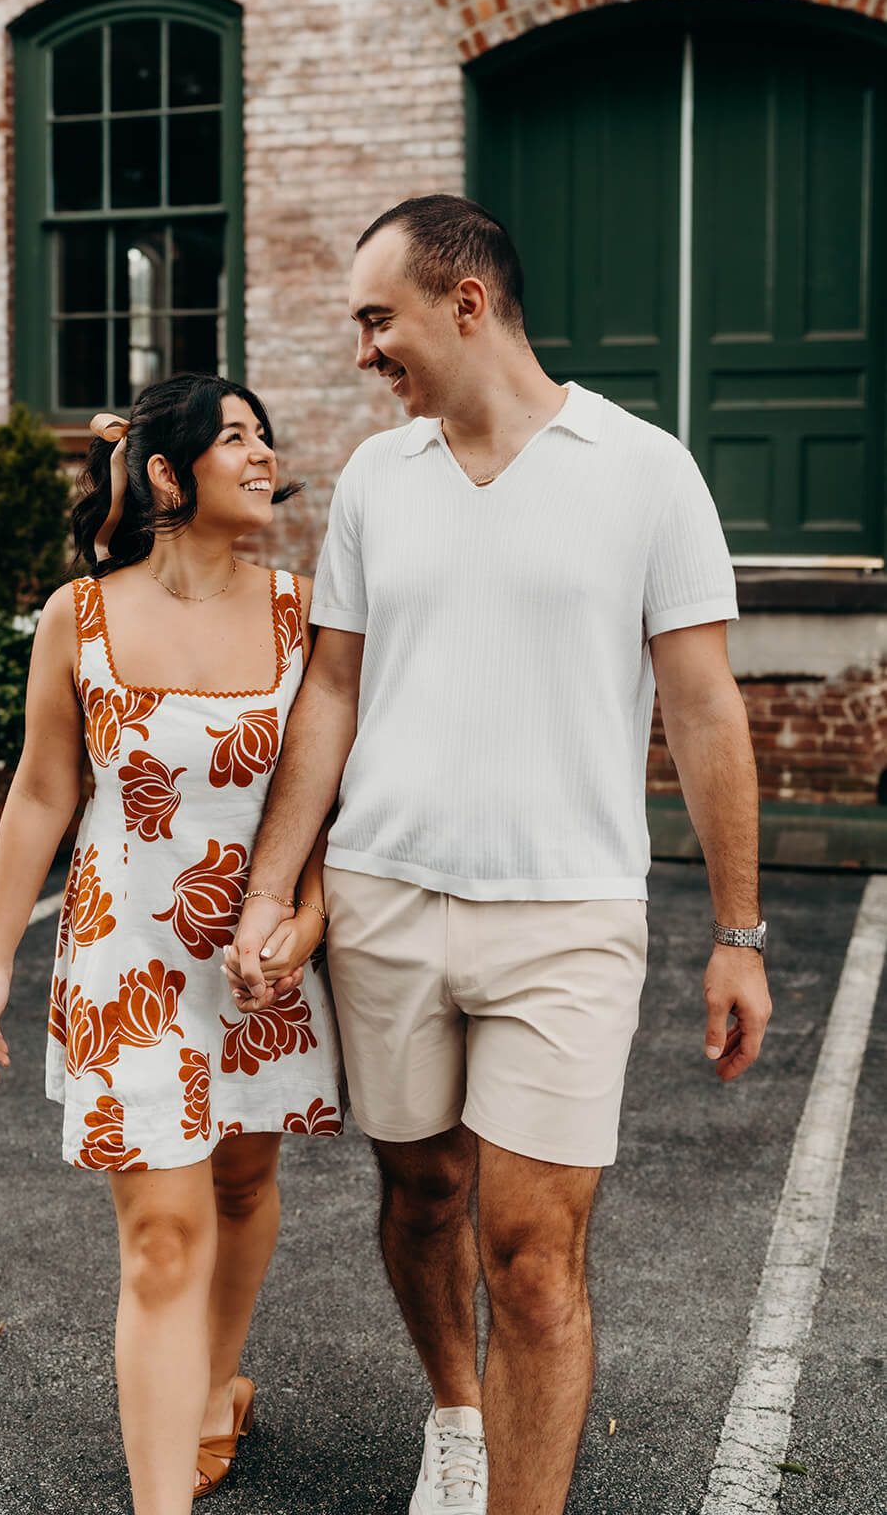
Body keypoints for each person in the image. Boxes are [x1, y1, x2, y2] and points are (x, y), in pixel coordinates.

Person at [226, 195, 772, 1515]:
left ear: (464, 303)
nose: (362, 352)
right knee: (421, 1194)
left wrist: (737, 935)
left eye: (377, 320)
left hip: (566, 917)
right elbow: (331, 692)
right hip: (384, 902)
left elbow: (704, 708)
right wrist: (268, 888)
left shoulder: (643, 470)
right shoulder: (377, 480)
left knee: (529, 1251)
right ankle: (457, 1416)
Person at [0, 373, 344, 1515]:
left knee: (243, 1177)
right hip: (125, 961)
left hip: (260, 961)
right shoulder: (76, 616)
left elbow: (332, 794)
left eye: (265, 436)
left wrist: (307, 923)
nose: (263, 454)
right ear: (167, 474)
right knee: (165, 1235)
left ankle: (215, 1385)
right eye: (235, 438)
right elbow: (42, 791)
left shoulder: (304, 612)